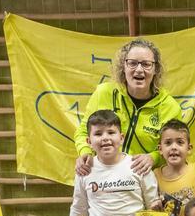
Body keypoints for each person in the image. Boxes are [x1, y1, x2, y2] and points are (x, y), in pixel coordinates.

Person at [73, 38, 182, 178]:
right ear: (123, 67)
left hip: (143, 181)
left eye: (146, 64)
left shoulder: (170, 107)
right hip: (102, 178)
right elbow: (83, 132)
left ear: (156, 69)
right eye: (132, 63)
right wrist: (85, 151)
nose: (139, 69)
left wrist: (153, 157)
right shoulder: (103, 93)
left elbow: (176, 148)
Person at [155, 118, 195, 202]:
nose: (174, 147)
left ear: (189, 148)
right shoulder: (155, 176)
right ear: (160, 149)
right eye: (168, 143)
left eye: (180, 142)